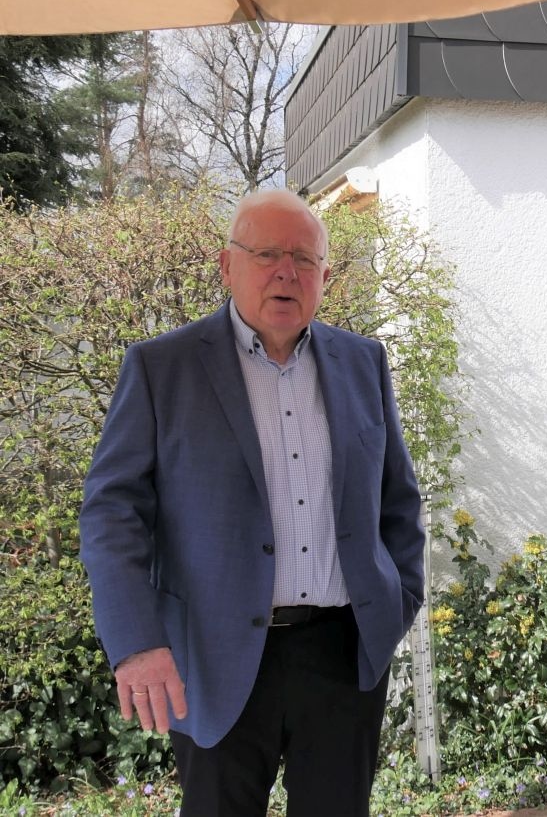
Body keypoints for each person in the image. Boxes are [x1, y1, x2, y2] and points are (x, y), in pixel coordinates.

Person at [79, 188, 425, 816]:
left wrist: (396, 601)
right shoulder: (162, 367)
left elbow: (397, 500)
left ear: (324, 276)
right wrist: (136, 641)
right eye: (267, 254)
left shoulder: (363, 362)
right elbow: (111, 514)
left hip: (342, 655)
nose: (286, 272)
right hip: (214, 657)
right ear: (227, 265)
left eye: (304, 258)